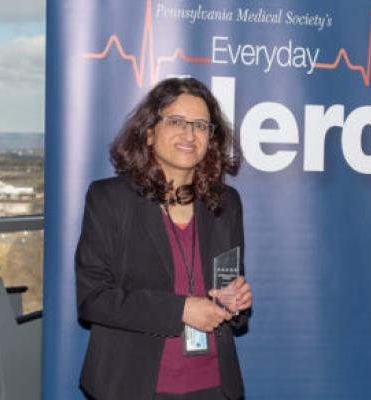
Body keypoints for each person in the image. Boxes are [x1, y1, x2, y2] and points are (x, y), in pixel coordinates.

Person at [75, 77, 252, 400]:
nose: (189, 134)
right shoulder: (110, 200)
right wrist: (180, 310)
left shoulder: (227, 203)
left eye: (201, 125)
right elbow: (93, 299)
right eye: (176, 121)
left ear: (211, 139)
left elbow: (232, 304)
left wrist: (235, 303)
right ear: (149, 132)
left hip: (214, 386)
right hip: (135, 386)